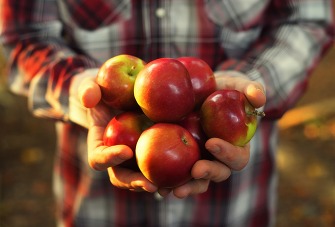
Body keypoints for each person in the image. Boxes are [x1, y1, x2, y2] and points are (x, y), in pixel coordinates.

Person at [0, 0, 333, 226]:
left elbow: (309, 18)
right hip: (99, 203)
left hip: (237, 205)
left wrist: (247, 88)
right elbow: (25, 38)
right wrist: (86, 92)